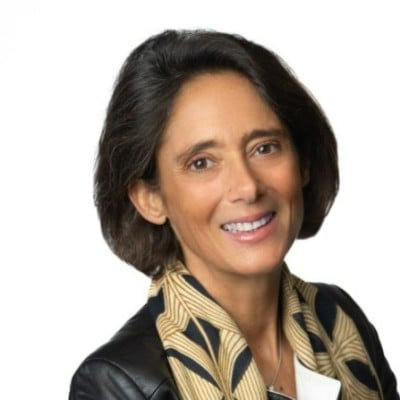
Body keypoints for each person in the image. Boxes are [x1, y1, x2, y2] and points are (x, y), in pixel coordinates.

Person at [69, 30, 398, 400]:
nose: (247, 187)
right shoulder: (118, 383)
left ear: (303, 162)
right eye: (202, 163)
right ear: (149, 199)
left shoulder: (340, 320)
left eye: (265, 148)